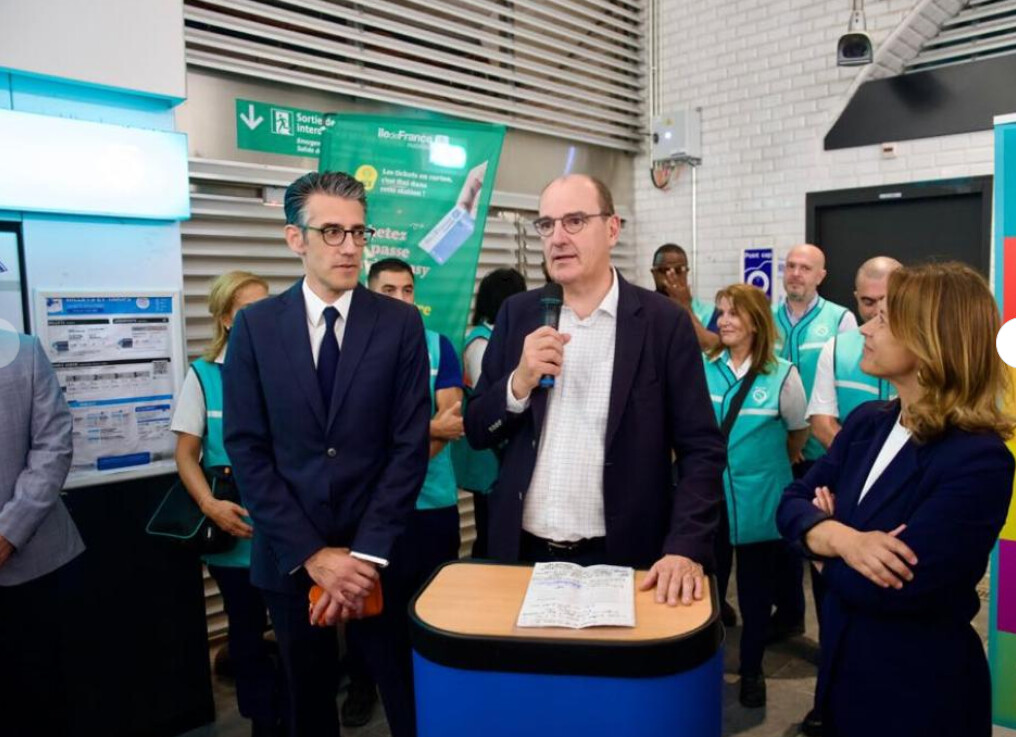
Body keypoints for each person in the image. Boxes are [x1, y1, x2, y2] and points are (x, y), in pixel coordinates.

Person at [223, 171, 431, 737]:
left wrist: (362, 558)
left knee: (404, 696)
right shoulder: (256, 328)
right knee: (307, 704)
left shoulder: (400, 324)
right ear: (296, 239)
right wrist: (313, 554)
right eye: (332, 232)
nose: (349, 247)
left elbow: (409, 446)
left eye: (359, 234)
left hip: (381, 557)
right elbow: (247, 447)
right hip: (292, 559)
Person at [777, 262, 1014, 737]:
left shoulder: (978, 458)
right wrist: (845, 539)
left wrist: (817, 551)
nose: (864, 327)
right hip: (844, 672)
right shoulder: (867, 423)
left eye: (884, 319)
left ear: (930, 340)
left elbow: (891, 586)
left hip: (917, 693)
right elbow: (790, 503)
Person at [464, 174, 726, 604]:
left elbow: (702, 449)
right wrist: (519, 382)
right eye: (546, 225)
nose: (558, 238)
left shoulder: (662, 323)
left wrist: (684, 546)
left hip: (625, 556)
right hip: (523, 553)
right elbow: (477, 428)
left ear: (612, 228)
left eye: (574, 221)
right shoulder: (519, 314)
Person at [340, 258, 465, 727]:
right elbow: (351, 438)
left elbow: (451, 424)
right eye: (388, 290)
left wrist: (393, 444)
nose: (400, 299)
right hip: (369, 516)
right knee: (375, 623)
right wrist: (419, 433)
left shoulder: (439, 347)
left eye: (407, 290)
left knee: (433, 617)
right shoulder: (352, 347)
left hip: (432, 509)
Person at [171, 271, 284, 737]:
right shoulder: (203, 375)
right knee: (246, 630)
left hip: (287, 529)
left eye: (265, 306)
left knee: (297, 629)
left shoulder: (288, 365)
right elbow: (185, 454)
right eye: (246, 310)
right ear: (223, 319)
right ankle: (262, 720)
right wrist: (209, 506)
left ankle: (298, 711)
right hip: (235, 531)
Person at [704, 284, 809, 708]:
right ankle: (705, 671)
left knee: (754, 594)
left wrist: (767, 467)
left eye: (733, 313)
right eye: (721, 313)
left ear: (755, 321)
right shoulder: (704, 368)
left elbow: (797, 432)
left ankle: (752, 671)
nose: (724, 321)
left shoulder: (782, 374)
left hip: (762, 500)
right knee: (709, 592)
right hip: (711, 500)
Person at [769, 244, 858, 650]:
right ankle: (787, 619)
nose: (796, 274)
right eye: (790, 266)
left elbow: (840, 387)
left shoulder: (841, 320)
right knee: (780, 546)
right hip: (778, 452)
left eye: (806, 268)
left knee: (822, 550)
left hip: (822, 457)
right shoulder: (766, 319)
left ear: (821, 275)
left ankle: (830, 641)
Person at [0, 329, 85, 737]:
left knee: (41, 699)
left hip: (31, 564)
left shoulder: (23, 352)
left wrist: (8, 533)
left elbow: (54, 444)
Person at [453, 267, 527, 557]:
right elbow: (491, 399)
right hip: (489, 454)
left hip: (503, 452)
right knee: (490, 532)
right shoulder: (481, 342)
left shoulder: (501, 337)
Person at [807, 257, 902, 450]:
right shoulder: (836, 348)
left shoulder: (927, 350)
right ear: (856, 297)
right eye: (868, 302)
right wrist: (860, 464)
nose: (877, 312)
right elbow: (822, 424)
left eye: (886, 301)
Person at [651, 242, 719, 351]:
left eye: (678, 270)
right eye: (664, 270)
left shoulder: (709, 312)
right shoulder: (642, 309)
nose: (671, 276)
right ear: (654, 273)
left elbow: (711, 347)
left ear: (686, 272)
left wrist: (684, 306)